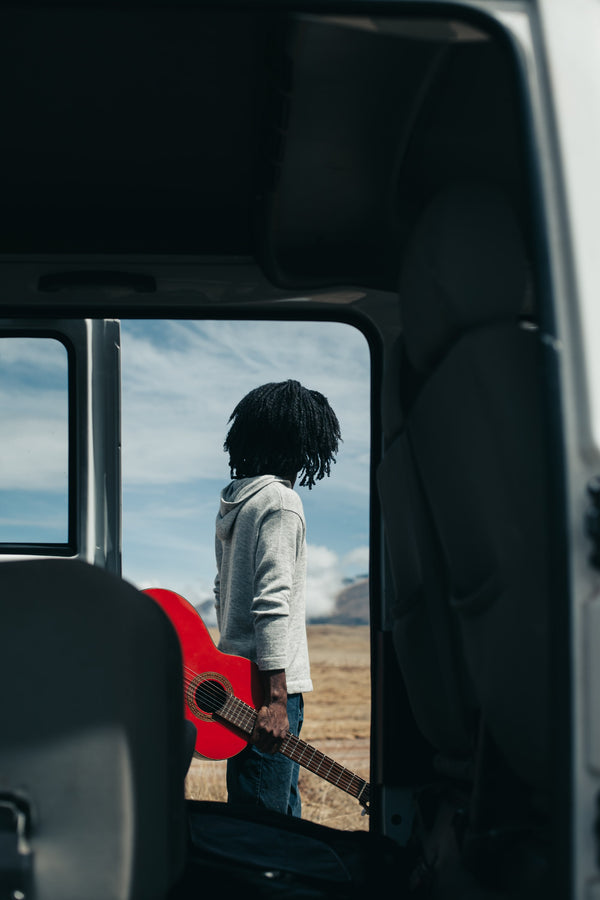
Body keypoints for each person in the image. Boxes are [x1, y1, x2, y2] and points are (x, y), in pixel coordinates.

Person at [213, 379, 341, 816]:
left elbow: (221, 591)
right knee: (267, 826)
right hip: (267, 688)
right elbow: (271, 603)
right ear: (300, 443)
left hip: (235, 682)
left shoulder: (235, 504)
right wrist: (275, 700)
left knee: (265, 809)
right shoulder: (281, 502)